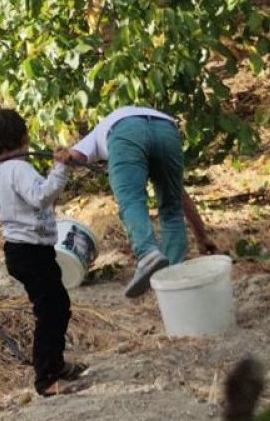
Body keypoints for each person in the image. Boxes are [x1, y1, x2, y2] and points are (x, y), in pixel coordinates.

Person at [56, 106, 218, 298]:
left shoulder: (100, 132)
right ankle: (176, 278)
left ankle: (147, 253)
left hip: (125, 132)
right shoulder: (139, 117)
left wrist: (61, 158)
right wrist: (202, 237)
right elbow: (180, 197)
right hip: (167, 130)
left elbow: (73, 156)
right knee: (171, 207)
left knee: (131, 199)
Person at [0, 107, 88, 397]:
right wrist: (60, 167)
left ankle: (56, 364)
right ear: (25, 139)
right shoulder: (19, 169)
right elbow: (41, 197)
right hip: (31, 252)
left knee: (54, 306)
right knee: (52, 310)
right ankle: (47, 378)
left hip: (19, 251)